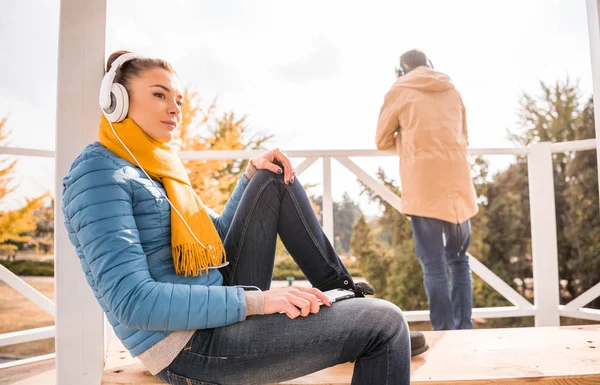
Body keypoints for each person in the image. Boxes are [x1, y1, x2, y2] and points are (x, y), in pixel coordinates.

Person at [62, 50, 414, 385]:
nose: (175, 108)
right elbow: (132, 302)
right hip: (188, 347)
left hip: (214, 303)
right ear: (116, 100)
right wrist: (260, 301)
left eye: (179, 100)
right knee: (386, 325)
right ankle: (364, 323)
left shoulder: (156, 165)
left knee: (271, 177)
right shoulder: (98, 173)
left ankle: (345, 296)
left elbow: (212, 241)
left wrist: (249, 179)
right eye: (160, 95)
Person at [375, 49, 479, 331]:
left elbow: (382, 139)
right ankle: (464, 328)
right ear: (429, 65)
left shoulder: (400, 89)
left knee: (433, 264)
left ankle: (444, 330)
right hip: (458, 189)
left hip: (424, 188)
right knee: (459, 260)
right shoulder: (452, 89)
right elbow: (465, 135)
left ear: (401, 70)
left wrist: (406, 138)